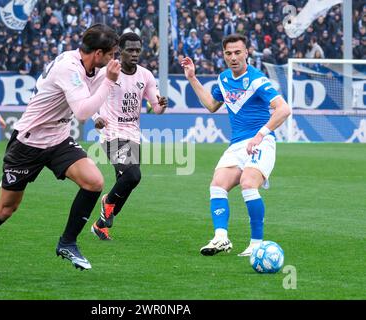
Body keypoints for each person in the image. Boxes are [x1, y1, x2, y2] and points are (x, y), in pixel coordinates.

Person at [0, 24, 120, 278]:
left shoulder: (89, 66)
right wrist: (109, 82)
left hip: (58, 139)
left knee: (94, 182)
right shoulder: (69, 67)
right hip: (28, 143)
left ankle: (67, 243)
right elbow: (82, 112)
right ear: (98, 53)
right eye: (111, 54)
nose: (113, 59)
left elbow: (90, 95)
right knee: (6, 208)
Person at [181, 34, 291, 257]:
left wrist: (260, 135)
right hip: (237, 144)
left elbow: (283, 109)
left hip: (261, 141)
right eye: (228, 53)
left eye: (237, 52)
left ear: (247, 53)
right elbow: (212, 105)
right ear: (223, 55)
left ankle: (256, 244)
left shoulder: (257, 80)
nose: (233, 57)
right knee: (217, 185)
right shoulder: (223, 79)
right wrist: (192, 78)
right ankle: (221, 238)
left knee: (248, 183)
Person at [90, 32, 168, 240]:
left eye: (137, 50)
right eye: (130, 50)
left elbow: (155, 107)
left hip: (133, 134)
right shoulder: (108, 72)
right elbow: (91, 98)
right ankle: (106, 201)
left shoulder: (145, 75)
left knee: (126, 185)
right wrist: (95, 117)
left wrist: (160, 105)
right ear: (119, 51)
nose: (134, 54)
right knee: (133, 175)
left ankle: (100, 225)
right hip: (111, 132)